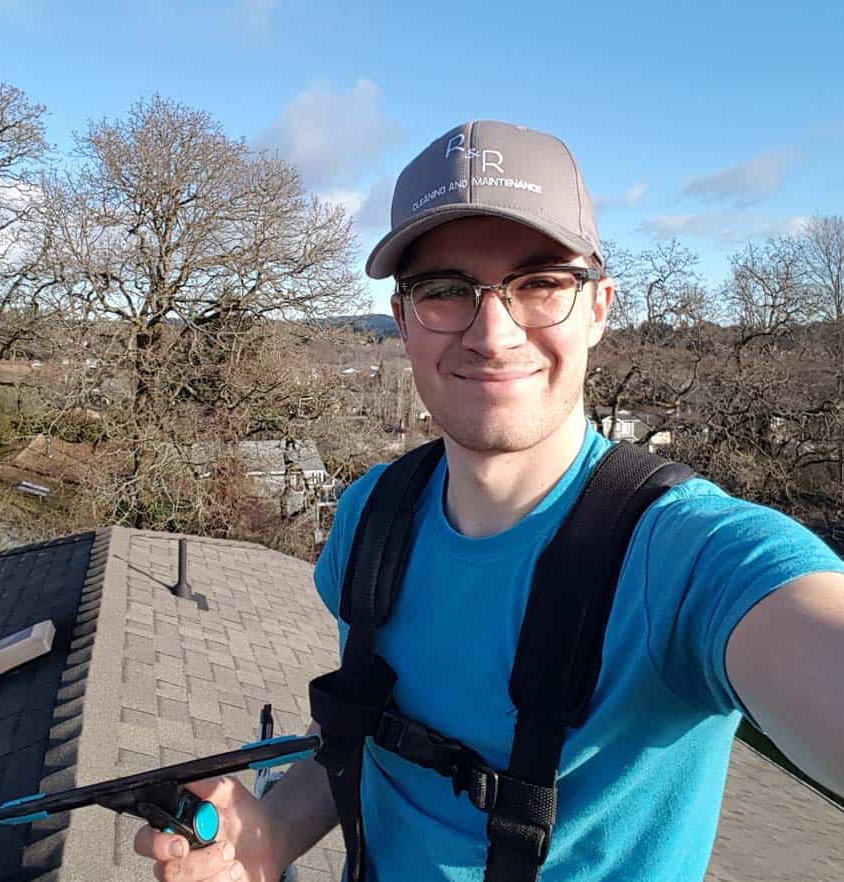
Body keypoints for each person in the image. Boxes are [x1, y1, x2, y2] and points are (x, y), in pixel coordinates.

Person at [134, 121, 844, 882]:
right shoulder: (372, 517)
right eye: (445, 291)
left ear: (599, 308)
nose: (493, 334)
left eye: (539, 284)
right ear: (403, 320)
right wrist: (272, 830)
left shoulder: (693, 558)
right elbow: (359, 735)